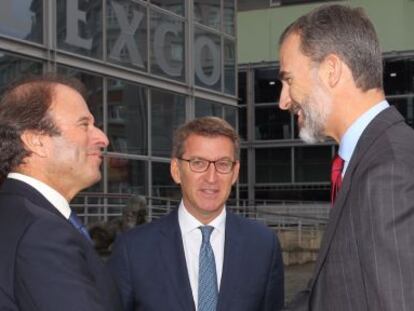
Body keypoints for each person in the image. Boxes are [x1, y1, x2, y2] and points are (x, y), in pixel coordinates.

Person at [278, 4, 414, 310]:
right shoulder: (371, 159)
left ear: (331, 70)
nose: (283, 100)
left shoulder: (389, 172)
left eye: (288, 80)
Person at [108, 116, 284, 311]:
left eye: (223, 164)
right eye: (198, 163)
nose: (211, 178)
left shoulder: (263, 245)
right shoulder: (133, 250)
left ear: (235, 173)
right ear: (176, 170)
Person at [0, 74, 122, 311]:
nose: (103, 138)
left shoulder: (17, 216)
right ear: (37, 141)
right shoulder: (41, 233)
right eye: (84, 124)